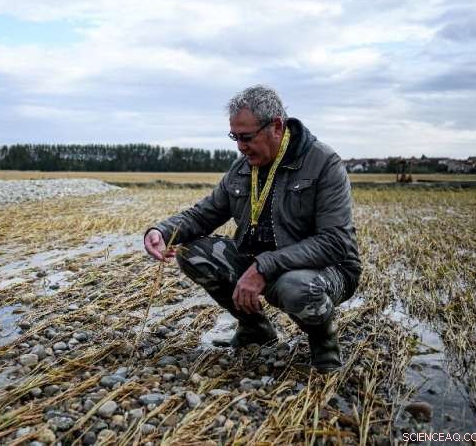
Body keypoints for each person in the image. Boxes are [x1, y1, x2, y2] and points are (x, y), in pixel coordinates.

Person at [144, 85, 361, 372]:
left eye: (246, 137)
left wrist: (264, 266)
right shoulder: (243, 167)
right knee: (193, 253)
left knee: (296, 287)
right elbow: (203, 214)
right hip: (259, 260)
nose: (240, 146)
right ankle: (256, 329)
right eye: (235, 137)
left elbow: (335, 242)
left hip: (323, 269)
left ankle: (324, 344)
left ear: (276, 127)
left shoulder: (323, 163)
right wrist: (161, 230)